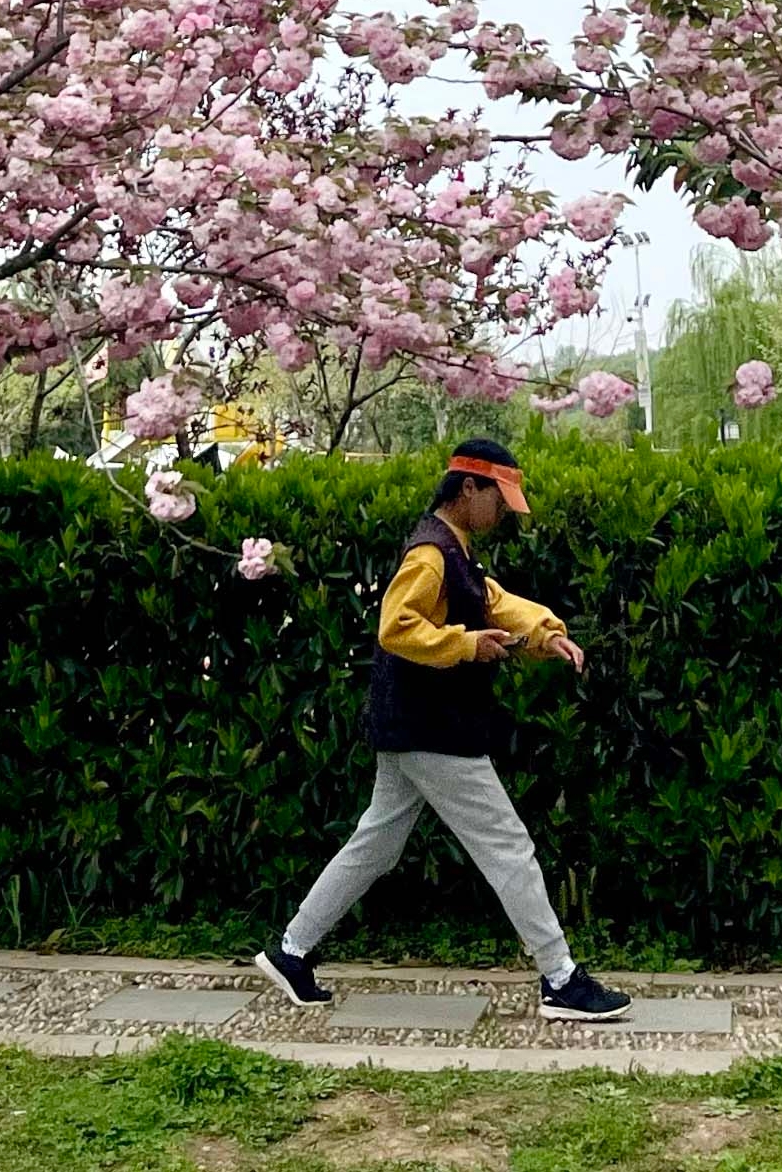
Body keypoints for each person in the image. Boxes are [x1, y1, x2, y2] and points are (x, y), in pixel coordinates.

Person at [255, 438, 633, 1022]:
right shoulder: (430, 556)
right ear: (468, 489)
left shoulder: (450, 548)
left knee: (375, 844)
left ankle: (290, 950)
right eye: (499, 499)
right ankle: (560, 979)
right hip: (435, 729)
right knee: (509, 849)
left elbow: (491, 600)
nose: (505, 511)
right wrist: (463, 644)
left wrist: (543, 633)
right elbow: (395, 628)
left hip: (410, 725)